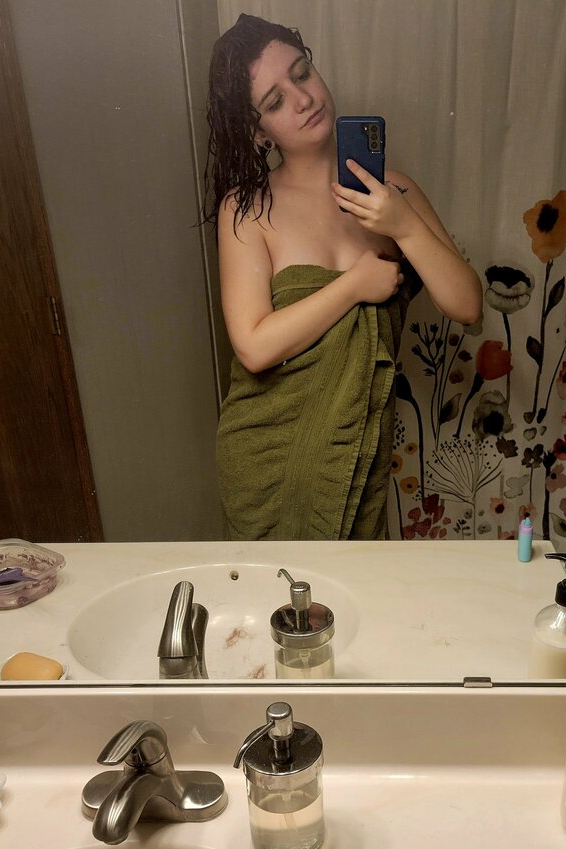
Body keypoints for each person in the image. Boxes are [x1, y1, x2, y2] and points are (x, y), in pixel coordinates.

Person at [204, 13, 482, 540]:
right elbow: (254, 347)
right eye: (275, 102)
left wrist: (404, 225)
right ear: (258, 131)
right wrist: (354, 286)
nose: (303, 99)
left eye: (302, 74)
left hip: (359, 455)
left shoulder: (393, 191)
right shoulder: (246, 208)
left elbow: (467, 305)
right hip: (270, 458)